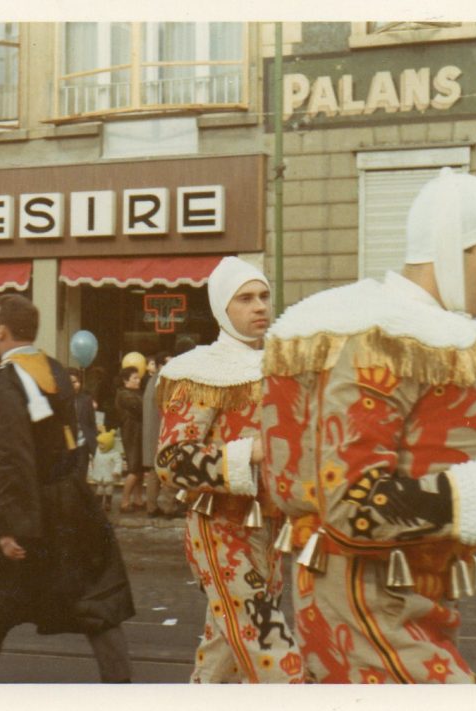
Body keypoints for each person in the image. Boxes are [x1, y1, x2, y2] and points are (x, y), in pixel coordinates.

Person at [261, 168, 476, 683]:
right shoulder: (383, 338)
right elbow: (350, 501)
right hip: (367, 601)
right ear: (448, 249)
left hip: (410, 593)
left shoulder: (446, 334)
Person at [0, 294, 135, 683]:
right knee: (96, 605)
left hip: (25, 507)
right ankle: (123, 692)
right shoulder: (52, 368)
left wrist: (10, 525)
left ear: (1, 331)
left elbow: (13, 457)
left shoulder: (7, 379)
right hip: (71, 505)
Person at [155, 256, 302, 683]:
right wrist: (248, 454)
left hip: (267, 527)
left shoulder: (277, 365)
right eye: (245, 299)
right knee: (264, 638)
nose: (259, 306)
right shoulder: (200, 370)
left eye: (263, 296)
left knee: (226, 646)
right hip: (217, 526)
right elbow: (172, 460)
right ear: (223, 308)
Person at [142, 351, 177, 519]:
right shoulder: (164, 381)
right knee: (168, 469)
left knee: (154, 472)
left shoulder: (152, 381)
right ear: (160, 365)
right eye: (168, 362)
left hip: (152, 432)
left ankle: (152, 507)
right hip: (163, 432)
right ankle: (168, 507)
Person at [115, 366, 145, 513]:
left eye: (138, 377)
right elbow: (140, 407)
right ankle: (125, 501)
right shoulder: (124, 395)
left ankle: (138, 499)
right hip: (131, 433)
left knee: (139, 468)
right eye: (135, 378)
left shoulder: (135, 393)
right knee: (134, 468)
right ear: (125, 380)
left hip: (138, 433)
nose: (138, 380)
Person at [69, 368, 98, 480]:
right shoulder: (61, 400)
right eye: (71, 382)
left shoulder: (86, 400)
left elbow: (91, 424)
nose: (74, 385)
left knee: (81, 476)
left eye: (76, 382)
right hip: (67, 445)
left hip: (82, 443)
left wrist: (94, 447)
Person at [88, 429, 121, 512]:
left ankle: (108, 503)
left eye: (102, 444)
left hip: (109, 475)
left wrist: (116, 471)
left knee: (109, 489)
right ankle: (98, 503)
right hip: (100, 475)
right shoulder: (98, 451)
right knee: (100, 489)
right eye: (99, 443)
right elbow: (94, 458)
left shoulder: (114, 453)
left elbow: (118, 463)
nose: (100, 446)